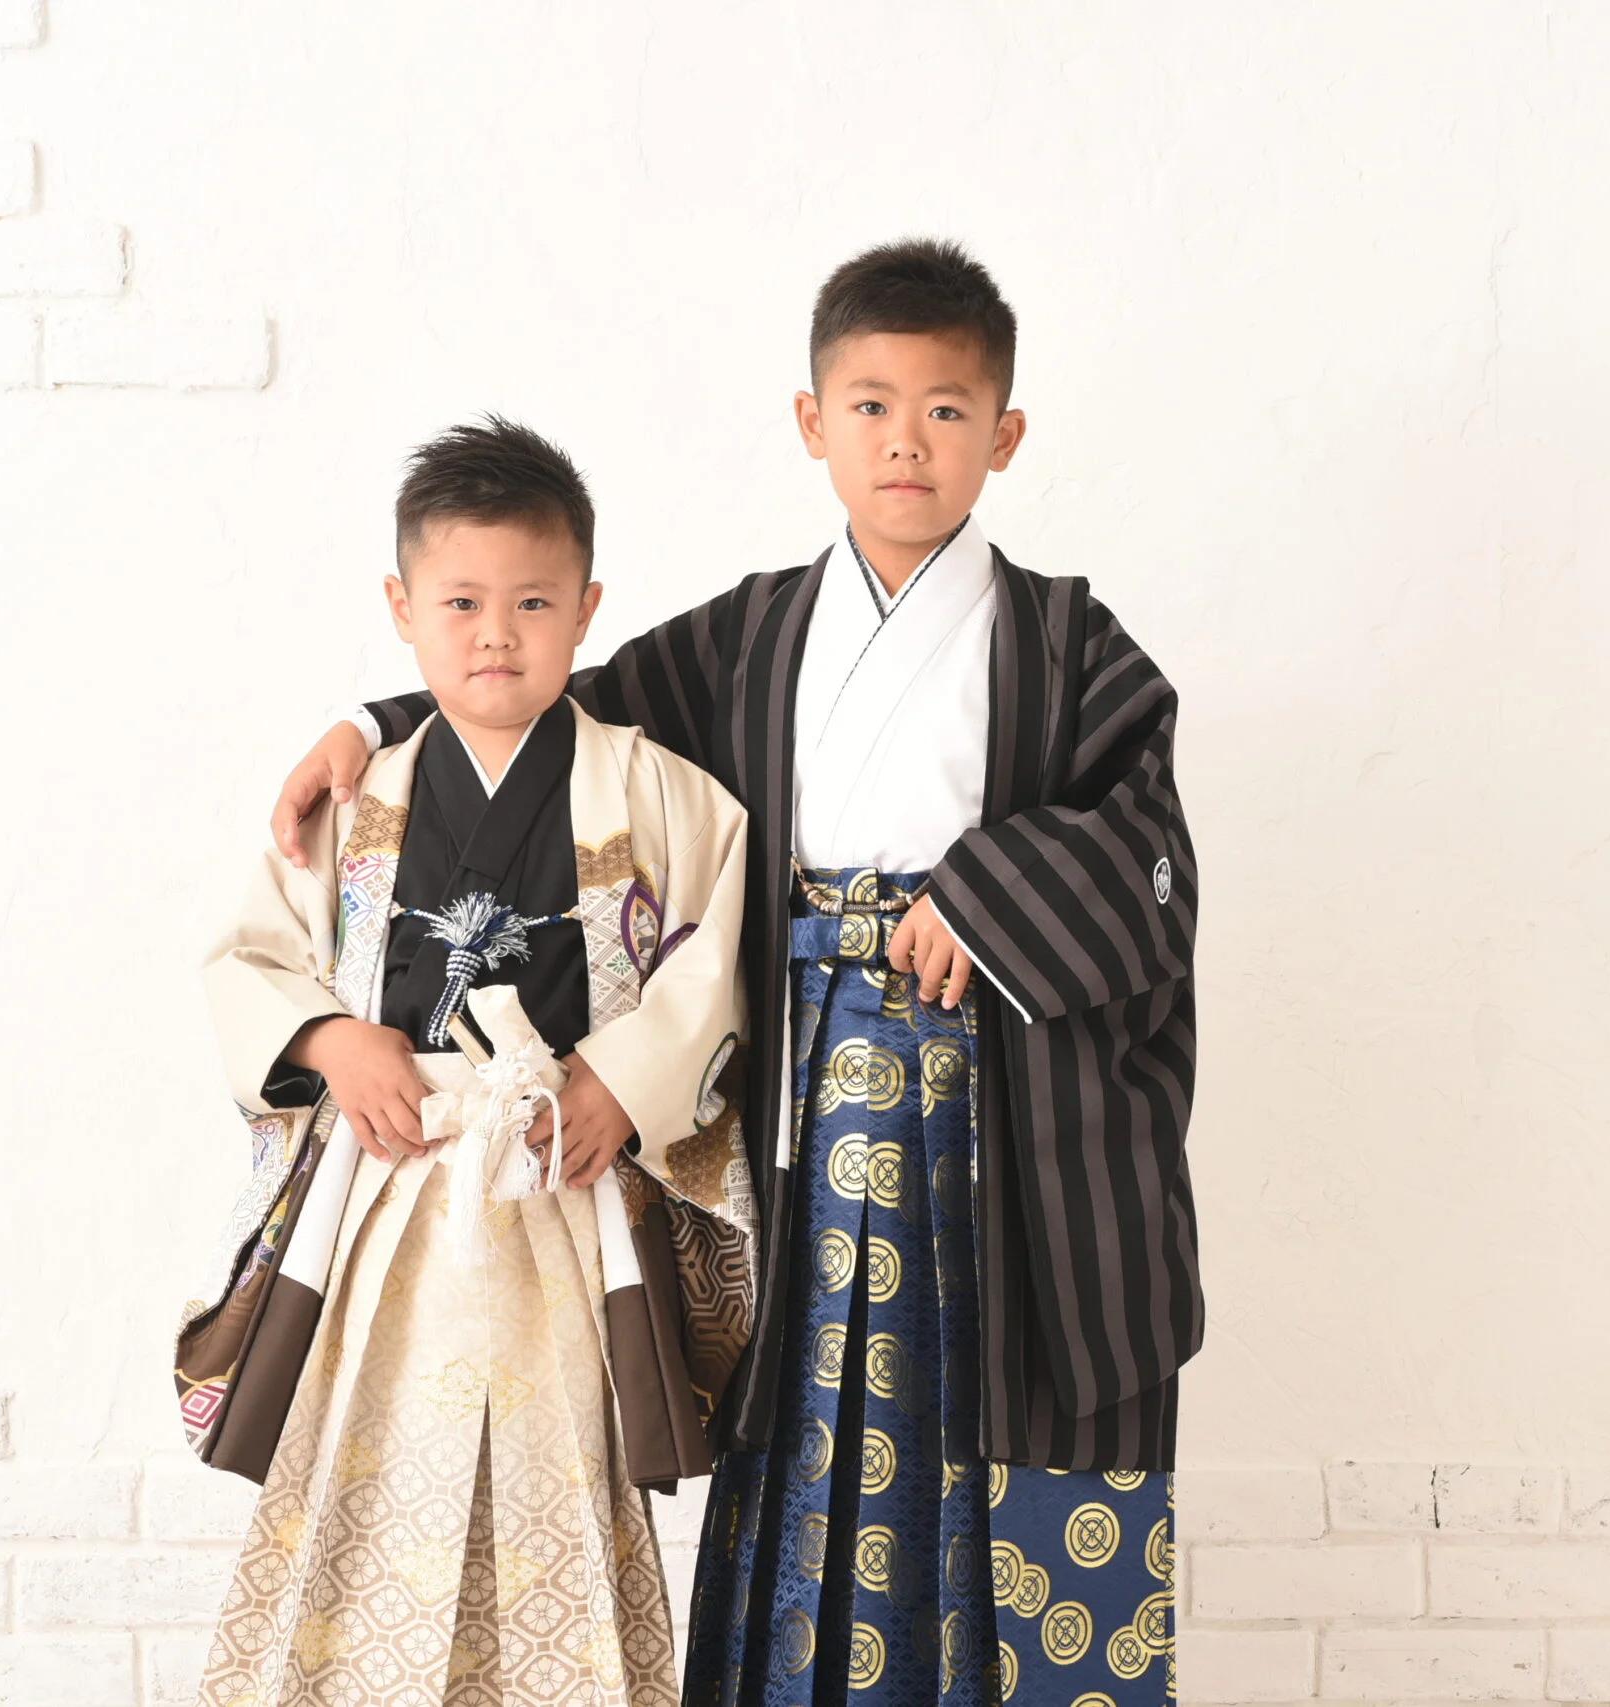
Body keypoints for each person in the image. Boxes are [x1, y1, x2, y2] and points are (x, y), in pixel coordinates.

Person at [270, 241, 1201, 1707]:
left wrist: (989, 896)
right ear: (812, 423)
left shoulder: (1070, 644)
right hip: (802, 1094)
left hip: (994, 1103)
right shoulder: (756, 633)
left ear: (1005, 435)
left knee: (992, 1388)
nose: (907, 442)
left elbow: (1146, 841)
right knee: (814, 1389)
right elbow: (549, 696)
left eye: (947, 410)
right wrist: (371, 721)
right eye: (871, 405)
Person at [188, 417, 755, 1707]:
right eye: (460, 602)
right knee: (369, 1462)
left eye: (533, 603)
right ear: (402, 609)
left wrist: (623, 1083)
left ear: (587, 611)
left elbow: (713, 961)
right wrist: (330, 1040)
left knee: (561, 1478)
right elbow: (247, 955)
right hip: (395, 1181)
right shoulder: (359, 793)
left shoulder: (659, 790)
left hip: (560, 1176)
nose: (496, 634)